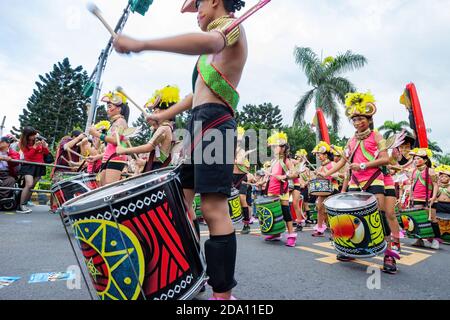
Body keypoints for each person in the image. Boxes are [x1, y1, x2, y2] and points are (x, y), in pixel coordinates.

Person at [113, 0, 249, 300]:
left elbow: (209, 40)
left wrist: (143, 43)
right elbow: (196, 93)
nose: (196, 13)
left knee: (213, 209)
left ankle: (223, 296)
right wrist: (163, 115)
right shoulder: (212, 52)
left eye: (198, 5)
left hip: (215, 121)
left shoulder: (230, 27)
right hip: (198, 123)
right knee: (180, 204)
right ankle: (188, 273)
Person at [322, 92, 398, 274]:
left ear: (369, 118)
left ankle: (389, 253)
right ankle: (351, 249)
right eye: (354, 119)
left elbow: (385, 159)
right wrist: (326, 173)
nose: (357, 122)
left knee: (378, 216)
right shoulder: (351, 140)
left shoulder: (377, 136)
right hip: (355, 183)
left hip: (375, 180)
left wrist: (362, 165)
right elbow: (342, 161)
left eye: (361, 118)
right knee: (352, 217)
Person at [116, 85, 179, 171]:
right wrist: (144, 163)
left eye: (156, 111)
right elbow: (158, 155)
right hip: (157, 166)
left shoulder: (164, 128)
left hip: (158, 168)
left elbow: (148, 147)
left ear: (166, 112)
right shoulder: (166, 127)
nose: (154, 113)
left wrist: (124, 150)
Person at [264, 132, 297, 247]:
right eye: (272, 146)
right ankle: (276, 233)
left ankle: (291, 235)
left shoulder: (287, 161)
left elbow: (295, 174)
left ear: (283, 148)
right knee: (274, 213)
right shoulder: (273, 161)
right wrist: (263, 181)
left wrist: (285, 176)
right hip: (271, 190)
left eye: (275, 146)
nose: (273, 149)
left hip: (282, 190)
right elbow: (270, 175)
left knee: (285, 212)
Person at [89, 91, 129, 186]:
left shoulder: (121, 121)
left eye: (110, 107)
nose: (107, 110)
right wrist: (97, 157)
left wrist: (97, 134)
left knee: (108, 188)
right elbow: (110, 147)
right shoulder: (116, 122)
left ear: (119, 109)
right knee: (101, 186)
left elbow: (115, 141)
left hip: (116, 158)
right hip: (109, 157)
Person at [408, 148, 440, 249]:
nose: (415, 160)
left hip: (429, 199)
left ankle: (436, 240)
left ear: (425, 160)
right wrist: (410, 196)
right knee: (418, 219)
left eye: (418, 158)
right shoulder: (413, 172)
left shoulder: (431, 171)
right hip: (417, 198)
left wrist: (434, 197)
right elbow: (412, 185)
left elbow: (436, 185)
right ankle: (420, 239)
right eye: (415, 159)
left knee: (432, 219)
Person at [17, 127, 49, 214]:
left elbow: (46, 153)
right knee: (29, 184)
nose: (34, 136)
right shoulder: (22, 143)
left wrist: (44, 146)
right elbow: (28, 156)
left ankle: (25, 204)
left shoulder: (38, 140)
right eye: (32, 135)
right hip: (28, 165)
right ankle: (21, 206)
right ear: (27, 135)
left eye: (35, 134)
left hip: (39, 165)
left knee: (32, 186)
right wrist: (34, 147)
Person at [311, 141, 339, 237]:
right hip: (322, 190)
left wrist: (327, 173)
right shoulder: (320, 167)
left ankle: (336, 230)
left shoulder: (333, 164)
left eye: (320, 155)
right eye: (318, 155)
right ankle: (319, 229)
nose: (319, 157)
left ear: (326, 155)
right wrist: (317, 174)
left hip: (332, 189)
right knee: (320, 208)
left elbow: (339, 176)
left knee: (332, 210)